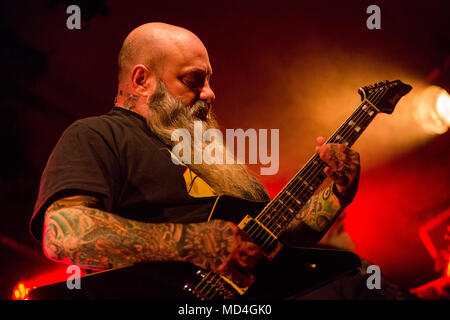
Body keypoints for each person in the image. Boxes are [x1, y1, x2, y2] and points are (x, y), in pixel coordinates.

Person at [30, 22, 360, 291]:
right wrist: (190, 241)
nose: (210, 93)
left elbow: (276, 240)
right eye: (193, 81)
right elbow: (65, 234)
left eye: (208, 81)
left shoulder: (213, 156)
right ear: (142, 80)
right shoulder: (98, 135)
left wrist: (335, 194)